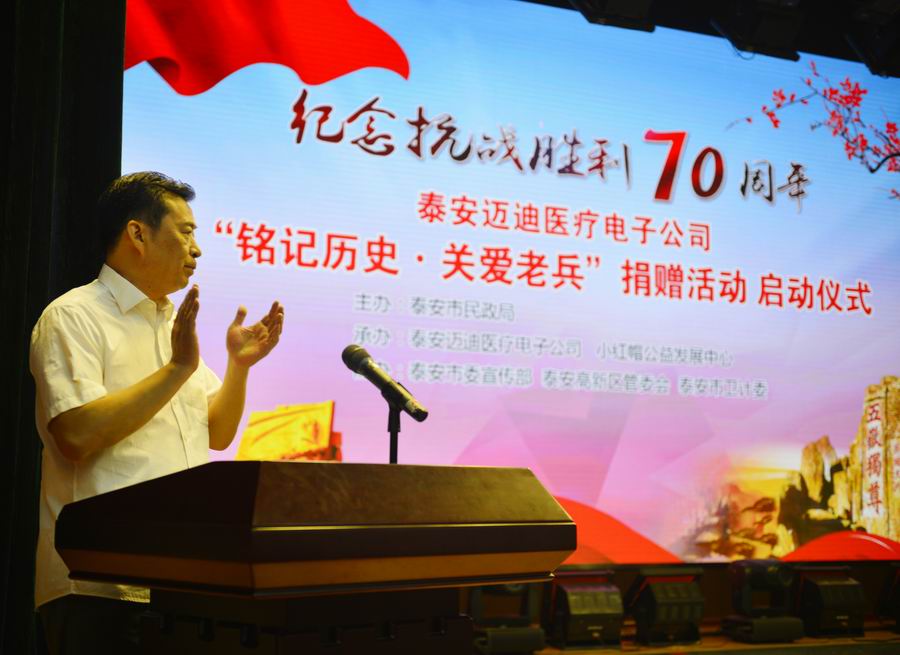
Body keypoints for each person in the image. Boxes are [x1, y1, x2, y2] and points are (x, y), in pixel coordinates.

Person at [29, 171, 285, 654]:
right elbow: (77, 434)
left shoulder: (171, 324)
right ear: (138, 234)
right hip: (98, 585)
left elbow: (217, 433)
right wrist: (176, 370)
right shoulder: (74, 316)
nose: (197, 249)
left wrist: (238, 368)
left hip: (182, 584)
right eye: (185, 232)